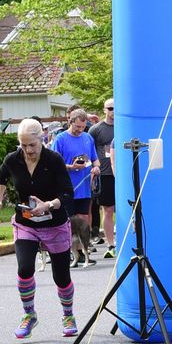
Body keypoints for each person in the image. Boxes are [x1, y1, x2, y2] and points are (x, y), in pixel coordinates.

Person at [0, 118, 79, 339]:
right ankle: (29, 315)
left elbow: (67, 193)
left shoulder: (54, 159)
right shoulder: (13, 159)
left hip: (55, 222)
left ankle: (68, 315)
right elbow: (1, 177)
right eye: (23, 145)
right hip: (26, 223)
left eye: (32, 145)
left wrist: (47, 205)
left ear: (42, 139)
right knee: (25, 268)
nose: (28, 150)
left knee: (61, 275)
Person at [53, 108, 98, 263]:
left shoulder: (88, 138)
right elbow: (54, 163)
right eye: (77, 127)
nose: (80, 130)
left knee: (83, 220)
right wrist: (71, 167)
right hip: (66, 188)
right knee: (67, 222)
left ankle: (81, 252)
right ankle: (66, 253)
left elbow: (94, 159)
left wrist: (96, 167)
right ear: (70, 122)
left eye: (83, 127)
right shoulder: (60, 139)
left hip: (84, 186)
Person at [88, 98, 117, 256]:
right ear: (104, 109)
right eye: (110, 108)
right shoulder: (96, 129)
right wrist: (94, 167)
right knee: (108, 210)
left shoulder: (124, 126)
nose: (113, 111)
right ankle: (111, 245)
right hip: (105, 174)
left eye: (115, 108)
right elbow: (88, 149)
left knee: (127, 209)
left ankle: (125, 242)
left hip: (122, 174)